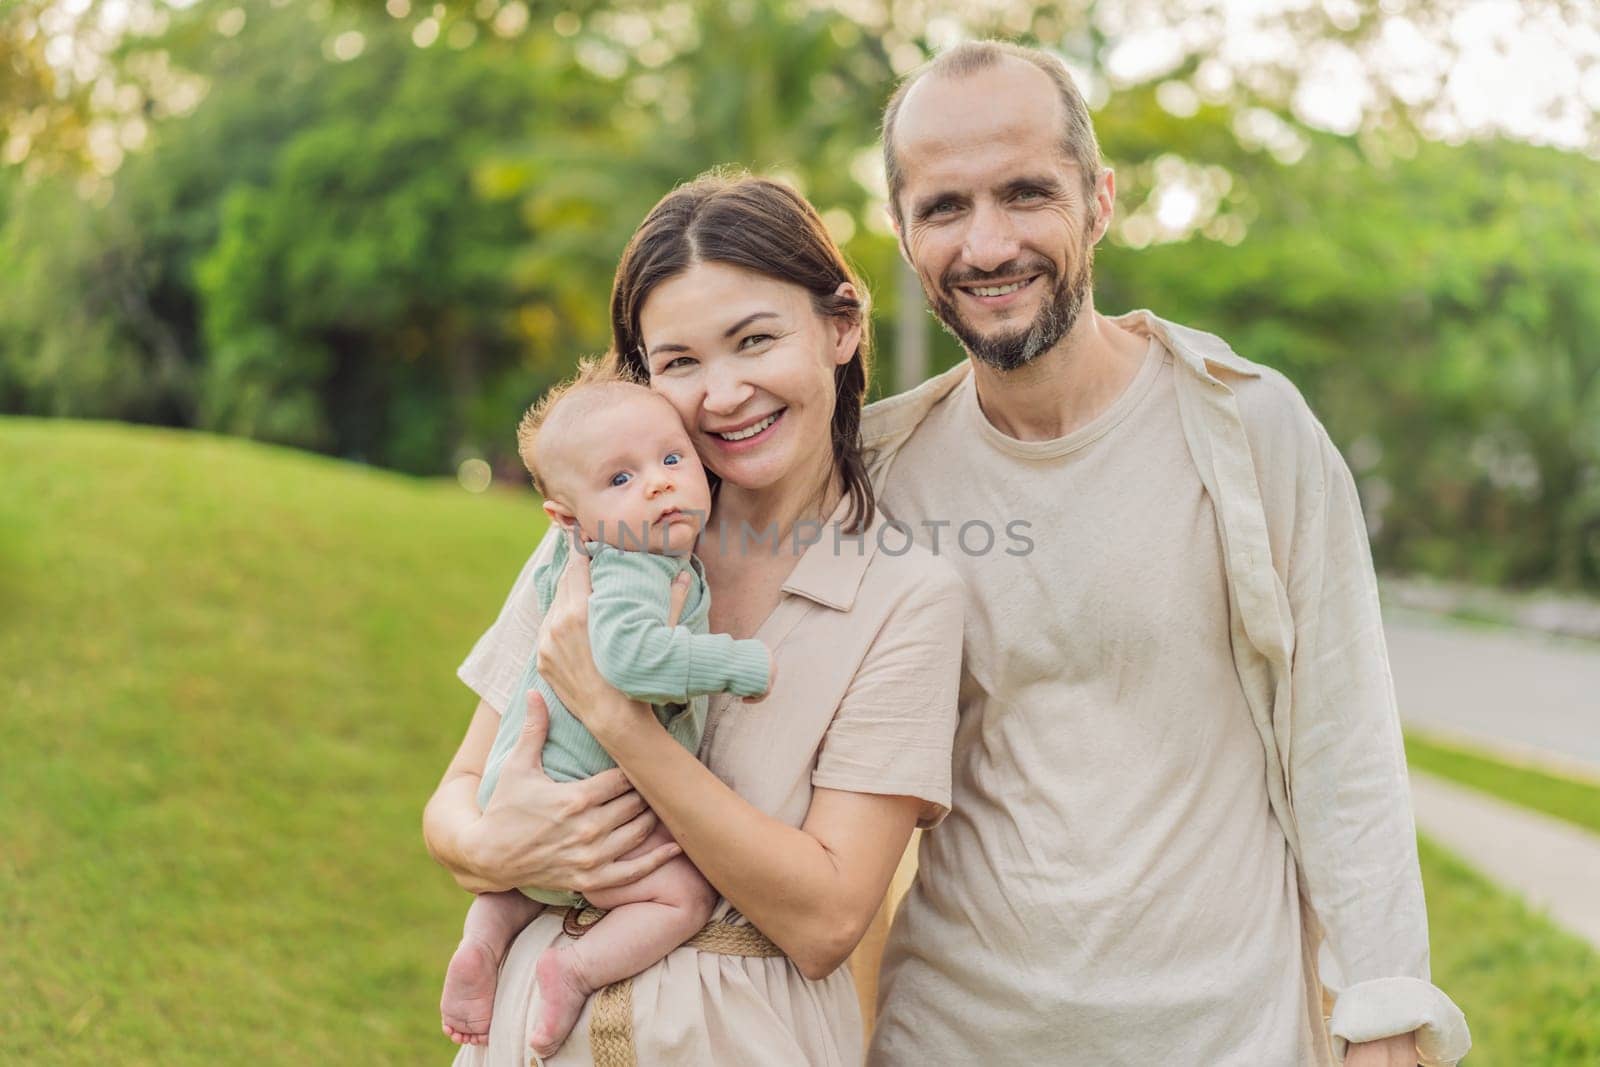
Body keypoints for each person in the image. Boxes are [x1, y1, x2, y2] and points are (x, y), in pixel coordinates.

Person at [858, 41, 1470, 1067]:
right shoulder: (879, 474)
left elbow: (1344, 744)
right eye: (945, 207)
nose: (988, 242)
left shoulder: (1249, 428)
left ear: (1099, 201)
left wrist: (1383, 1013)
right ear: (904, 232)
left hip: (1229, 1034)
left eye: (1026, 193)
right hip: (951, 1035)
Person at [422, 175, 965, 1065]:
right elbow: (452, 802)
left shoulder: (904, 595)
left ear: (841, 326)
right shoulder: (596, 538)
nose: (722, 394)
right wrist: (494, 844)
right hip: (528, 1036)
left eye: (755, 340)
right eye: (678, 362)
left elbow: (826, 917)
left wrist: (615, 717)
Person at [438, 363, 773, 1055]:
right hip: (573, 794)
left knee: (519, 891)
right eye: (620, 479)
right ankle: (575, 966)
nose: (656, 482)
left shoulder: (602, 554)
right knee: (683, 894)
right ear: (569, 520)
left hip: (527, 801)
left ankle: (483, 938)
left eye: (672, 459)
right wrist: (738, 664)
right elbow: (631, 661)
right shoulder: (630, 565)